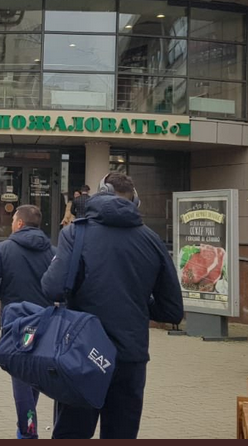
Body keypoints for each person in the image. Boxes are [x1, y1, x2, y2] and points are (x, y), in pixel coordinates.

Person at [41, 172, 184, 439]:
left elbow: (52, 289)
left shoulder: (76, 233)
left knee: (72, 432)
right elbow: (172, 310)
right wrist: (136, 301)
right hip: (130, 359)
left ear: (100, 195)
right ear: (136, 201)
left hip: (82, 354)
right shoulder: (152, 240)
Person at [0, 205, 55, 439]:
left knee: (21, 378)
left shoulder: (4, 249)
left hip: (15, 324)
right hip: (45, 324)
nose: (12, 223)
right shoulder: (53, 251)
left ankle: (27, 431)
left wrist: (7, 293)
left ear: (20, 223)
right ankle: (27, 426)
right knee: (33, 375)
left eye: (13, 219)